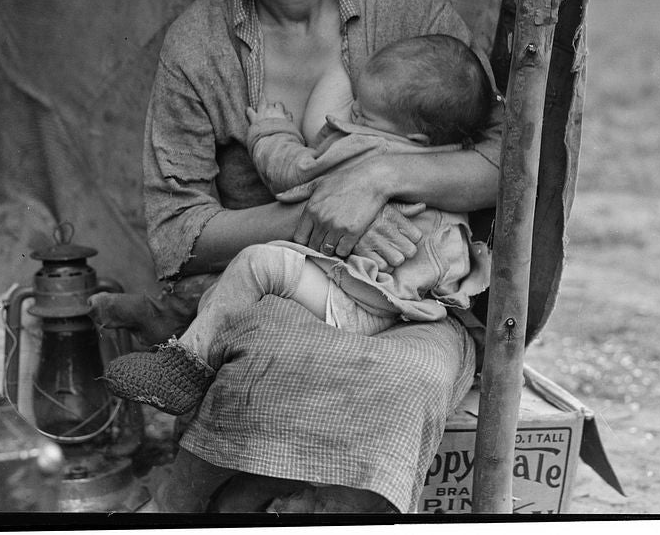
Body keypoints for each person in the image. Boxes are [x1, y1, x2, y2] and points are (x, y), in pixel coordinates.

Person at [92, 0, 503, 514]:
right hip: (282, 294)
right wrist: (318, 214)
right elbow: (177, 237)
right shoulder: (200, 44)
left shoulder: (404, 4)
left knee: (402, 388)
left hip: (415, 304)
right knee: (274, 356)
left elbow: (506, 164)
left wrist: (376, 177)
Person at [105, 34, 497, 416]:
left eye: (362, 113)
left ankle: (184, 368)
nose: (351, 114)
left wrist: (272, 130)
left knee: (257, 265)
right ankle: (173, 318)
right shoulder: (449, 158)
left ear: (412, 135)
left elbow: (294, 173)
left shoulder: (369, 147)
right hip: (408, 300)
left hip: (363, 302)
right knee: (255, 284)